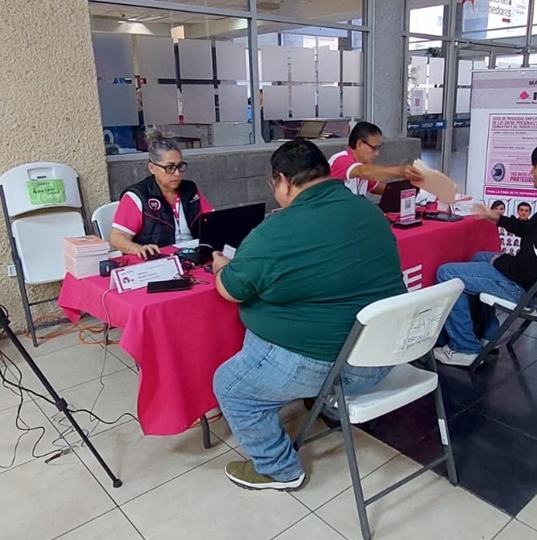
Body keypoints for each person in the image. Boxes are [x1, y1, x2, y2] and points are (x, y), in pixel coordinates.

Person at [211, 139, 405, 490]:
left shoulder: (272, 234)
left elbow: (231, 289)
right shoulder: (369, 212)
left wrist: (223, 268)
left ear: (282, 181)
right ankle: (330, 408)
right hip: (383, 356)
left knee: (231, 385)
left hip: (330, 369)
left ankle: (278, 469)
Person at [433, 137, 537, 367]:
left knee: (447, 273)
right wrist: (499, 220)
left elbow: (525, 270)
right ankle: (490, 334)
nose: (532, 172)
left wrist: (498, 262)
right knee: (479, 257)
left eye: (535, 166)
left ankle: (464, 348)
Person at [109, 131, 213, 258]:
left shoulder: (190, 190)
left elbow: (213, 222)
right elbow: (117, 238)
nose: (177, 173)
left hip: (193, 257)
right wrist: (137, 248)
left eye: (180, 166)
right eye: (169, 168)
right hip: (157, 261)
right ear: (152, 168)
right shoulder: (137, 196)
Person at [329, 121, 423, 197]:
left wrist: (410, 192)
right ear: (359, 144)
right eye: (374, 148)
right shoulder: (341, 160)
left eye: (378, 148)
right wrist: (401, 171)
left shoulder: (365, 168)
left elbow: (381, 188)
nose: (377, 153)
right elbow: (362, 172)